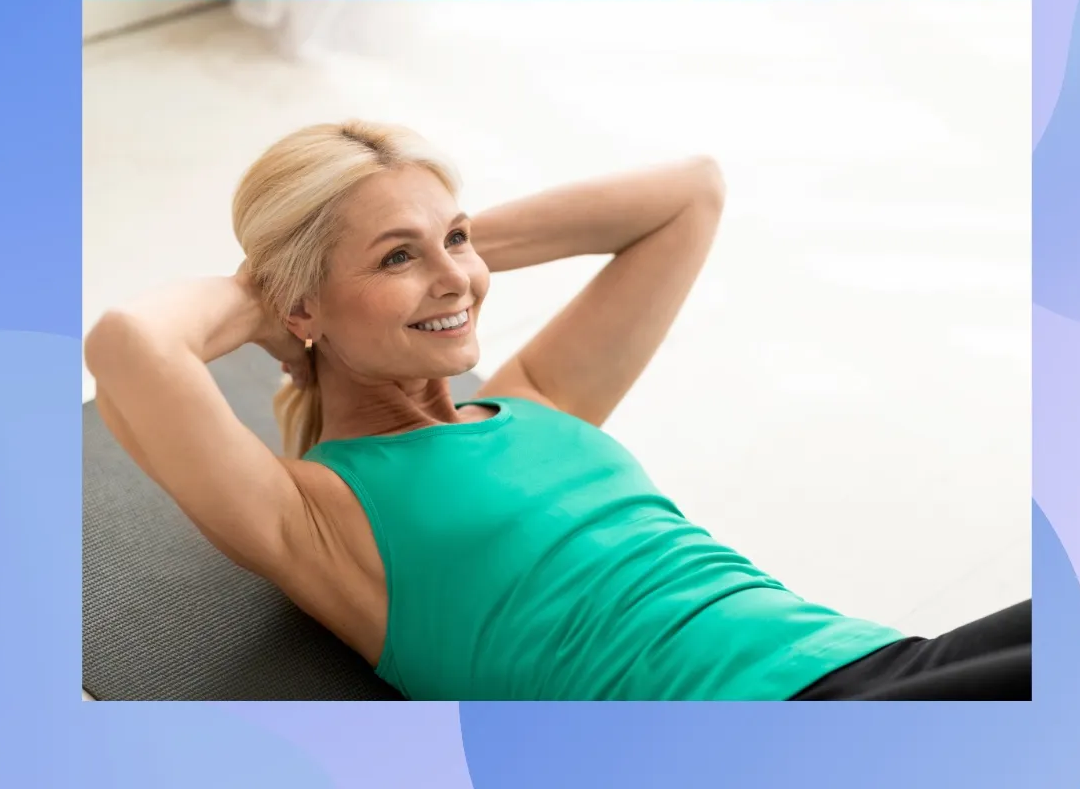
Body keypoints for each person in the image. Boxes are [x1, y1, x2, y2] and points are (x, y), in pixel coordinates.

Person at [84, 120, 1031, 701]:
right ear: (299, 305)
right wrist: (277, 293)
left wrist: (419, 241)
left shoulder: (537, 400)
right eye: (397, 257)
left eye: (456, 238)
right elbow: (130, 343)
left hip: (880, 666)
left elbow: (689, 192)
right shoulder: (317, 515)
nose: (458, 274)